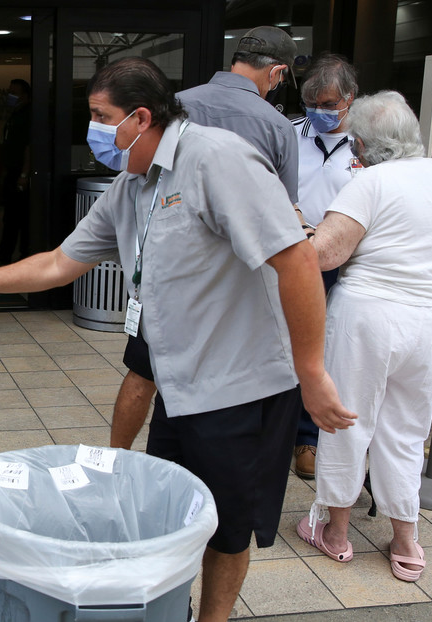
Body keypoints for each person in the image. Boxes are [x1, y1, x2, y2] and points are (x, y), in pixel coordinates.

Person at [0, 57, 355, 622]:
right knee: (170, 516)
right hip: (181, 386)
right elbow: (59, 263)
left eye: (101, 115)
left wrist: (313, 372)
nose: (93, 129)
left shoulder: (216, 160)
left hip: (240, 387)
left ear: (141, 117)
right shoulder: (132, 184)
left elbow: (295, 260)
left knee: (227, 528)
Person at [296, 91, 432, 583]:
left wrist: (302, 230)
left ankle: (335, 532)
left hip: (370, 315)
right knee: (407, 429)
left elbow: (326, 255)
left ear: (364, 143)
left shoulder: (369, 182)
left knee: (347, 420)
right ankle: (405, 541)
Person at [110, 25, 302, 450]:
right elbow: (286, 219)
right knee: (221, 394)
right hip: (233, 293)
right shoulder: (276, 125)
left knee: (144, 375)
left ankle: (117, 461)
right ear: (278, 73)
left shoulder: (177, 106)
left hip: (161, 274)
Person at [289, 54, 359, 479]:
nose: (319, 111)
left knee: (328, 348)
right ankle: (280, 429)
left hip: (345, 260)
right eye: (311, 103)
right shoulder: (290, 134)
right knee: (289, 345)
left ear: (349, 99)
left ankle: (309, 439)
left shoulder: (368, 143)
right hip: (295, 253)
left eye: (329, 104)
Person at [0, 78, 31, 264]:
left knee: (21, 216)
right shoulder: (15, 114)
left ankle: (25, 253)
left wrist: (24, 174)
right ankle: (5, 251)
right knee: (10, 215)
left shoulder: (29, 115)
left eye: (14, 92)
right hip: (12, 170)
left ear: (24, 95)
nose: (10, 96)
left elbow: (30, 146)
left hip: (21, 172)